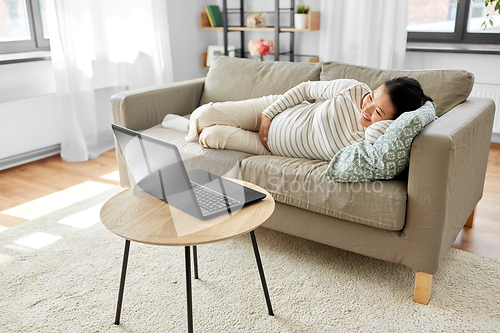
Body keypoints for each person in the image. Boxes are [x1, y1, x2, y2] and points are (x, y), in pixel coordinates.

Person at [162, 76, 433, 161]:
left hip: (269, 147)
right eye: (372, 96)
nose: (367, 108)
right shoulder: (353, 90)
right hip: (272, 112)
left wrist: (387, 123)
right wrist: (268, 114)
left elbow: (382, 136)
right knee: (204, 114)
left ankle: (194, 128)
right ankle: (186, 125)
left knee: (210, 137)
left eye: (379, 112)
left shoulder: (368, 142)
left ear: (392, 121)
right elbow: (305, 89)